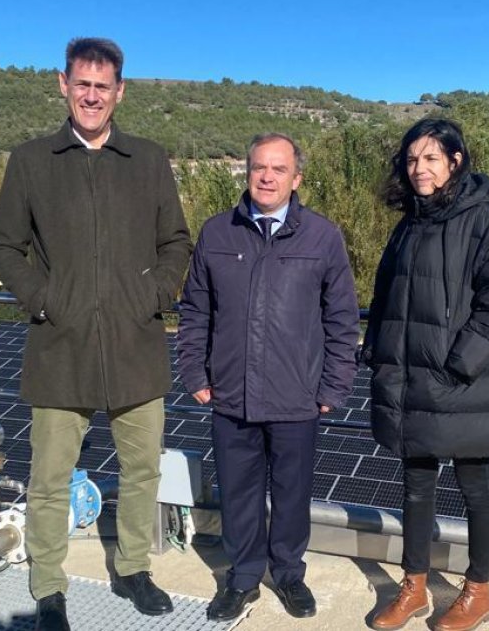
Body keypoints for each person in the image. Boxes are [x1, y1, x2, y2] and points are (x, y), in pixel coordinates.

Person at [0, 37, 192, 631]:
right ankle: (49, 586)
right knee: (49, 481)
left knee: (142, 471)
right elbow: (3, 246)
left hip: (136, 343)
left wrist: (154, 295)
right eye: (83, 84)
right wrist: (45, 299)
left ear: (120, 91)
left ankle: (133, 570)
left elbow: (176, 242)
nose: (92, 96)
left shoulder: (148, 160)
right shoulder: (31, 161)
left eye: (103, 87)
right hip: (61, 347)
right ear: (63, 84)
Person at [177, 133, 359, 622]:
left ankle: (289, 575)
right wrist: (194, 372)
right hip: (230, 394)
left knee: (293, 495)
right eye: (259, 167)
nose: (267, 177)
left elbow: (342, 319)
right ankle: (241, 578)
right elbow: (196, 310)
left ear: (296, 179)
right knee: (237, 494)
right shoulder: (217, 234)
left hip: (296, 397)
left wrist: (333, 387)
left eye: (278, 169)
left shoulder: (322, 237)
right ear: (247, 171)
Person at [359, 118, 489, 631]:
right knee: (415, 484)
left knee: (475, 482)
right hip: (412, 378)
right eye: (411, 159)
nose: (419, 169)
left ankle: (478, 591)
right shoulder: (408, 222)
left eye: (430, 158)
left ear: (455, 161)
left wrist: (459, 364)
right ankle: (414, 587)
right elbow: (388, 297)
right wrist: (378, 351)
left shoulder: (486, 221)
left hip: (462, 382)